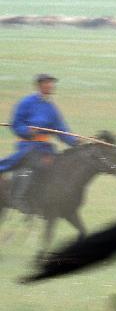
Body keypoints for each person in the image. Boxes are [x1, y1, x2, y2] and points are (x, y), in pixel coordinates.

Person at [0, 74, 78, 211]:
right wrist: (28, 131)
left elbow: (61, 130)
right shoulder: (26, 102)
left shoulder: (51, 108)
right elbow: (16, 124)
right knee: (33, 161)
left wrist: (75, 142)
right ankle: (18, 198)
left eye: (52, 83)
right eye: (47, 83)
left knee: (59, 166)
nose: (51, 86)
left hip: (45, 148)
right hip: (27, 145)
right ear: (39, 85)